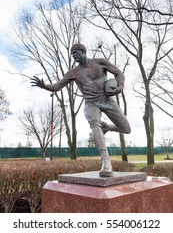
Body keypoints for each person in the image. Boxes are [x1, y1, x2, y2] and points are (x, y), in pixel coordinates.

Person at [31, 43, 131, 177]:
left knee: (126, 129)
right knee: (95, 123)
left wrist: (120, 86)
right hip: (91, 103)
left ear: (83, 51)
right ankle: (106, 161)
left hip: (107, 100)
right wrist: (44, 86)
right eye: (72, 53)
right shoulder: (73, 73)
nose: (73, 55)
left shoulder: (100, 62)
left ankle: (107, 128)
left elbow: (119, 73)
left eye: (75, 52)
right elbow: (56, 86)